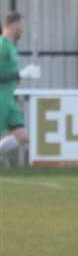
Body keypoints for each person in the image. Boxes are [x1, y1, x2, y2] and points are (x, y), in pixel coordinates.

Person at [0, 12, 37, 164]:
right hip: (1, 98)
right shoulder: (2, 45)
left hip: (9, 99)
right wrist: (20, 74)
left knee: (22, 136)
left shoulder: (12, 47)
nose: (23, 29)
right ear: (13, 25)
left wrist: (22, 76)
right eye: (21, 26)